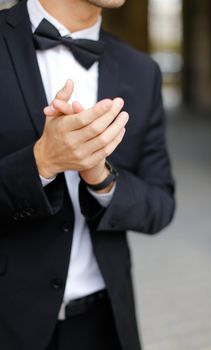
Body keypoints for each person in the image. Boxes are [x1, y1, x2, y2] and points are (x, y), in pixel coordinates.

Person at [0, 0, 175, 349]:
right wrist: (41, 162)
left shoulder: (142, 71)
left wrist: (100, 175)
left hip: (101, 324)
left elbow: (160, 206)